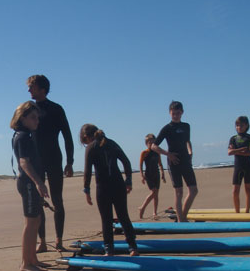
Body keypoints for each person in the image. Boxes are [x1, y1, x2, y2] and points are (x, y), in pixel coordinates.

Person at [26, 75, 74, 252]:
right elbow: (21, 134)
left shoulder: (56, 109)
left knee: (57, 200)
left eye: (32, 87)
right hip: (36, 161)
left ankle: (59, 240)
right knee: (38, 201)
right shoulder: (28, 109)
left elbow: (67, 136)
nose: (29, 90)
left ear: (42, 89)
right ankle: (43, 242)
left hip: (54, 158)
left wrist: (70, 162)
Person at [80, 124, 138, 256]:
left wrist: (87, 190)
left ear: (86, 137)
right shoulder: (112, 143)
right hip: (118, 185)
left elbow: (88, 171)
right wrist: (128, 180)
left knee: (106, 219)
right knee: (123, 216)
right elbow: (126, 161)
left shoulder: (91, 147)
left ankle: (109, 249)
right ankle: (133, 247)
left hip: (103, 187)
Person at [11, 101, 50, 271]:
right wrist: (38, 183)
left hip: (32, 184)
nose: (37, 121)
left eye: (37, 118)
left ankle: (33, 259)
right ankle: (25, 263)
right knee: (30, 222)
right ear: (23, 118)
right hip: (28, 184)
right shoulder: (21, 136)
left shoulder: (28, 135)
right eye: (33, 118)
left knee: (37, 220)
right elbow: (24, 162)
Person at [151, 101, 198, 222]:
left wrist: (190, 152)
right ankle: (181, 220)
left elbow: (188, 141)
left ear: (182, 112)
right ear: (169, 113)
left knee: (193, 190)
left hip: (185, 161)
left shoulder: (186, 126)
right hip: (174, 163)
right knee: (179, 192)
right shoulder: (167, 128)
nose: (176, 115)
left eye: (178, 113)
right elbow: (154, 146)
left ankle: (182, 216)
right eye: (173, 113)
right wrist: (168, 154)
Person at [227, 116, 250, 213]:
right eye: (237, 125)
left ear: (246, 126)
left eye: (241, 125)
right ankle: (237, 212)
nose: (239, 127)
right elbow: (229, 152)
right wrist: (241, 150)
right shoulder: (233, 139)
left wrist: (235, 151)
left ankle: (247, 211)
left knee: (248, 189)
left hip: (248, 166)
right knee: (235, 190)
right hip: (238, 166)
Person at [138, 133, 166, 219]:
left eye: (153, 142)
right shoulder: (144, 153)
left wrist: (162, 174)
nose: (151, 144)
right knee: (154, 192)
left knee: (156, 194)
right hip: (149, 175)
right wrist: (142, 176)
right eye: (149, 142)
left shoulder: (157, 152)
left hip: (156, 174)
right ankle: (142, 207)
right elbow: (141, 165)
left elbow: (160, 164)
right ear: (146, 143)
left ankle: (155, 213)